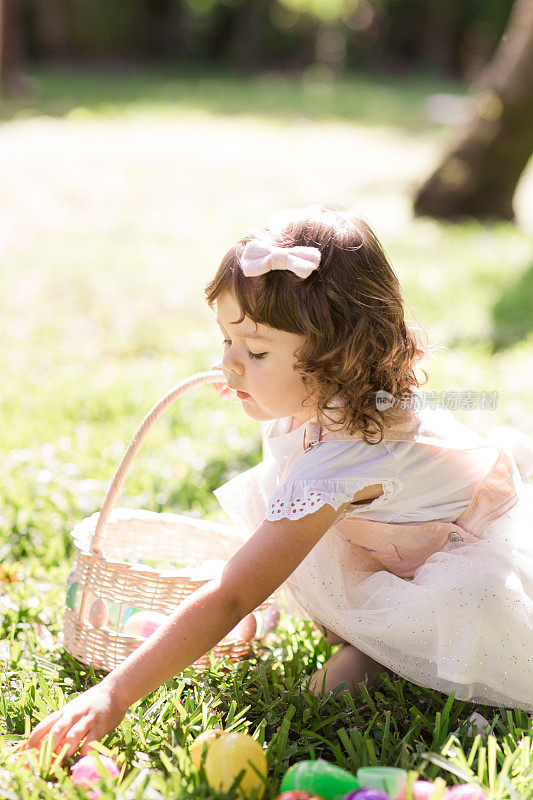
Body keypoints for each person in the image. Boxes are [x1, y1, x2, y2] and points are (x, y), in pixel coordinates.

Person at [26, 204, 533, 759]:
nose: (230, 365)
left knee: (323, 647)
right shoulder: (334, 393)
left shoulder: (348, 459)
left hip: (456, 565)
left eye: (257, 350)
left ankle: (392, 654)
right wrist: (257, 375)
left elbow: (236, 592)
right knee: (296, 528)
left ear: (337, 360)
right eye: (227, 342)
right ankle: (379, 649)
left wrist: (114, 693)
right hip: (394, 536)